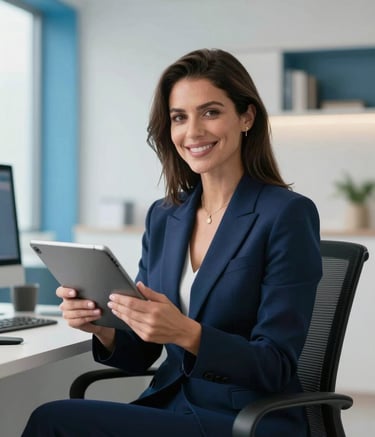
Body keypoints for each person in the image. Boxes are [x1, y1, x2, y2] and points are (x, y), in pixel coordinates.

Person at [22, 48, 322, 437]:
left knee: (54, 419)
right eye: (180, 117)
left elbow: (276, 364)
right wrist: (103, 327)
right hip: (172, 405)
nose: (192, 132)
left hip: (247, 419)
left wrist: (186, 332)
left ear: (246, 117)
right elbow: (143, 353)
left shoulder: (285, 214)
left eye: (210, 112)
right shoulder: (166, 216)